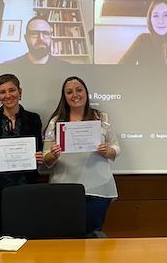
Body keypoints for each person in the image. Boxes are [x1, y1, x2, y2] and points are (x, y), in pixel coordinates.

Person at [43, 76, 120, 234]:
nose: (75, 95)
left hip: (98, 188)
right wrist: (53, 155)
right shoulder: (55, 122)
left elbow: (116, 147)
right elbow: (46, 158)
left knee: (93, 236)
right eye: (69, 92)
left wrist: (107, 151)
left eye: (79, 90)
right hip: (64, 189)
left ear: (86, 93)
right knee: (66, 236)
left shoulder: (101, 117)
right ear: (64, 96)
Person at [0, 74, 43, 236]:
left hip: (25, 187)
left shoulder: (33, 119)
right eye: (2, 92)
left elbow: (39, 149)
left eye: (12, 90)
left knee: (25, 236)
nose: (8, 95)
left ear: (20, 92)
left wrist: (39, 156)